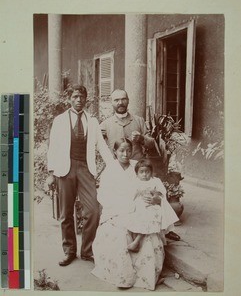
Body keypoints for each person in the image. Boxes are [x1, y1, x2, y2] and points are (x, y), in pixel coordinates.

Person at [45, 84, 113, 267]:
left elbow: (102, 147)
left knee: (93, 211)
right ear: (70, 99)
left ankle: (87, 250)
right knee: (65, 213)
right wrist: (51, 173)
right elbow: (53, 148)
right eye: (75, 97)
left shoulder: (92, 120)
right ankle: (69, 251)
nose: (78, 100)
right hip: (64, 169)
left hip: (85, 168)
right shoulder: (59, 120)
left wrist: (115, 166)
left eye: (82, 97)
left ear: (86, 100)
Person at [100, 89, 180, 241]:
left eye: (123, 99)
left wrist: (142, 138)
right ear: (111, 103)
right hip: (120, 170)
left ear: (128, 101)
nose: (120, 102)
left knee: (153, 194)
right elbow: (97, 144)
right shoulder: (105, 124)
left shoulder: (139, 121)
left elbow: (152, 143)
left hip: (138, 168)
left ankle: (166, 228)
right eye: (116, 100)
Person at [91, 138, 165, 290]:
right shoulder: (109, 170)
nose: (125, 154)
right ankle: (123, 275)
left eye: (128, 150)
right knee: (119, 232)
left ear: (132, 151)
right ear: (115, 152)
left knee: (148, 226)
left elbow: (153, 182)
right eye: (121, 151)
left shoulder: (136, 166)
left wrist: (154, 198)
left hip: (139, 205)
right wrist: (121, 207)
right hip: (116, 207)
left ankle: (145, 274)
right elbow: (104, 195)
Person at [126, 158, 179, 253]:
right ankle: (136, 240)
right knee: (140, 214)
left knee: (151, 214)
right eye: (141, 172)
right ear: (137, 173)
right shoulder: (135, 182)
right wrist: (138, 192)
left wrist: (155, 195)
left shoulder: (155, 181)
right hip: (139, 205)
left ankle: (136, 242)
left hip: (153, 205)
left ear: (151, 172)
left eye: (147, 172)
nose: (144, 174)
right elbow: (130, 196)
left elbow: (162, 194)